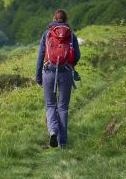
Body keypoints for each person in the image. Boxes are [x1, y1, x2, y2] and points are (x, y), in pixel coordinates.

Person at [35, 9, 80, 148]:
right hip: (65, 72)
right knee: (63, 107)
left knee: (50, 105)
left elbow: (41, 56)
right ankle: (63, 142)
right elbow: (77, 55)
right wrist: (70, 65)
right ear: (66, 19)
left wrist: (38, 77)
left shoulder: (47, 34)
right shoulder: (71, 35)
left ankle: (53, 131)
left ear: (54, 18)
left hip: (48, 71)